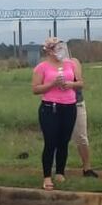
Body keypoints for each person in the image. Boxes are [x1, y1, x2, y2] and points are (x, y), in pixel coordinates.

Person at [31, 37, 81, 190]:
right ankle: (47, 176)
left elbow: (80, 83)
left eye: (62, 48)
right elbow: (35, 89)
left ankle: (60, 171)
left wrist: (71, 84)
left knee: (63, 141)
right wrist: (52, 84)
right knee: (50, 142)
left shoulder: (70, 64)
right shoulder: (41, 67)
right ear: (49, 51)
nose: (61, 51)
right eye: (57, 48)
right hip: (50, 107)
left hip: (69, 106)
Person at [70, 59, 99, 178]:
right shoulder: (48, 65)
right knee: (57, 138)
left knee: (81, 136)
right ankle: (57, 169)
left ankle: (87, 168)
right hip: (57, 104)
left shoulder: (73, 62)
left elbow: (80, 82)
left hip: (76, 102)